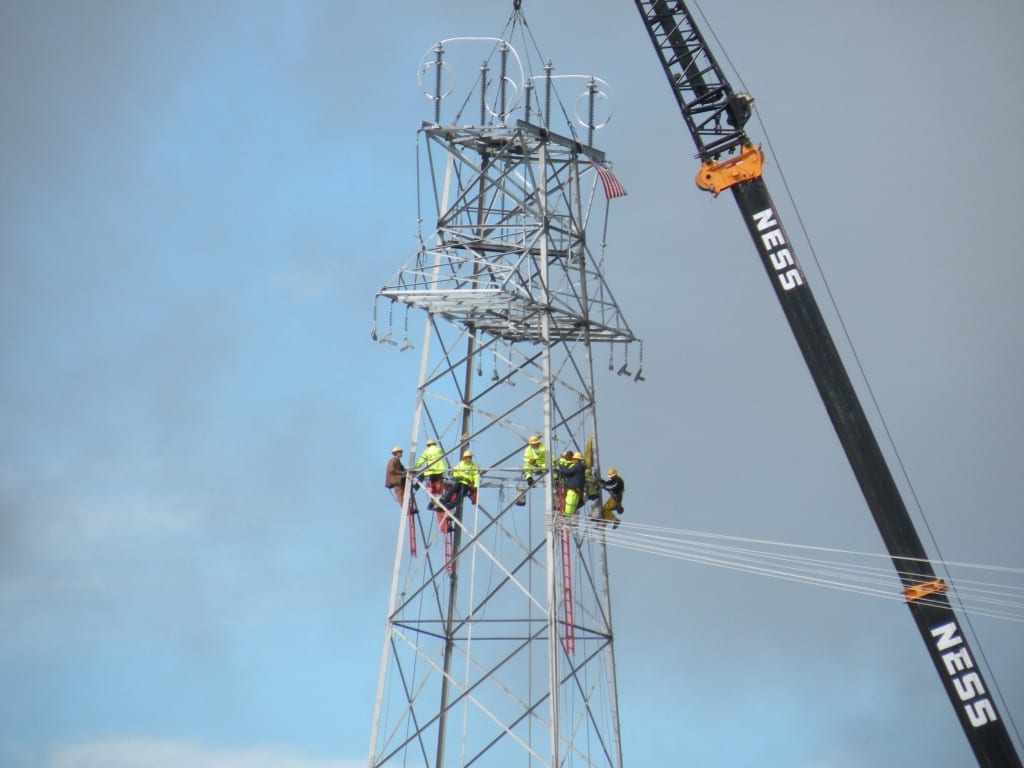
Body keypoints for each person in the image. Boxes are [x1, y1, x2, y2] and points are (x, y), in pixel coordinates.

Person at [441, 449, 479, 532]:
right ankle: (444, 501)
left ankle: (450, 505)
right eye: (468, 457)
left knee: (460, 496)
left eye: (470, 457)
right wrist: (454, 473)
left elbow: (476, 476)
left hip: (466, 484)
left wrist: (475, 485)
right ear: (464, 458)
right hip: (459, 481)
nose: (469, 459)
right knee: (452, 490)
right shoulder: (461, 464)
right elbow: (455, 470)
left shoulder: (473, 467)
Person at [415, 438, 447, 509]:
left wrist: (415, 467)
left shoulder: (426, 452)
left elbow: (421, 461)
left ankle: (433, 498)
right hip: (439, 470)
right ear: (434, 444)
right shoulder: (439, 450)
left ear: (428, 445)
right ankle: (439, 497)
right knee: (439, 485)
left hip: (431, 471)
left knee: (431, 486)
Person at [516, 435, 546, 506]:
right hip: (533, 465)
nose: (533, 445)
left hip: (542, 464)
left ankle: (553, 481)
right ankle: (530, 479)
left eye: (534, 444)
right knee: (526, 466)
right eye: (532, 444)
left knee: (549, 468)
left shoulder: (544, 448)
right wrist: (531, 461)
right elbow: (526, 458)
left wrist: (539, 463)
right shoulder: (528, 449)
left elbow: (549, 458)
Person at [561, 451, 586, 517]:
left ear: (576, 459)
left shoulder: (577, 466)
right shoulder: (581, 467)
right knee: (572, 505)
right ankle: (568, 516)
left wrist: (562, 467)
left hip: (573, 489)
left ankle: (567, 517)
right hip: (578, 490)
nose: (572, 460)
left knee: (569, 504)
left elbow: (567, 472)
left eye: (573, 459)